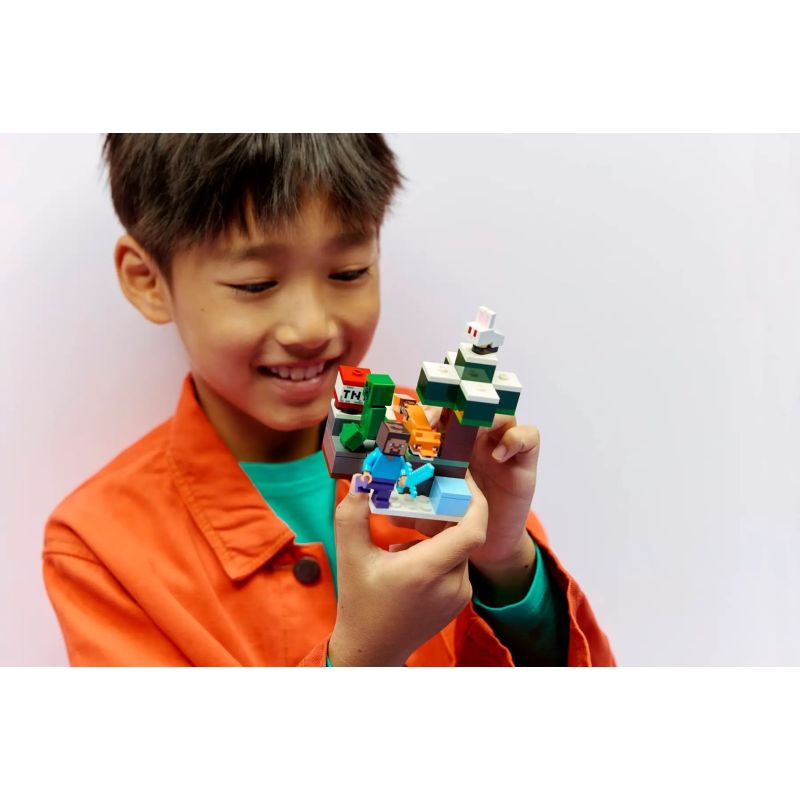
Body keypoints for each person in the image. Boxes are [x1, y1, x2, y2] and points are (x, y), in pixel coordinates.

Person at [42, 134, 614, 666]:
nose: (312, 327)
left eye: (348, 272)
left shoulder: (444, 439)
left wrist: (506, 563)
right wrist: (363, 657)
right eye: (255, 284)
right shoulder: (97, 546)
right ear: (147, 280)